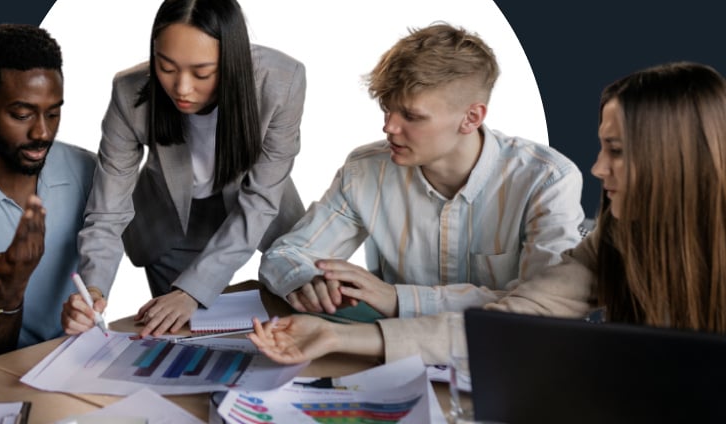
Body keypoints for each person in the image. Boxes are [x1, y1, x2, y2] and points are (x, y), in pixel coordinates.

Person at [248, 61, 726, 365]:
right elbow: (515, 322)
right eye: (603, 147)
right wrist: (334, 338)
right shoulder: (614, 238)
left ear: (676, 155)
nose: (599, 168)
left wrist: (396, 299)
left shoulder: (545, 177)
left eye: (617, 151)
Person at [258, 23, 585, 320]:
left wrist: (398, 298)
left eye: (411, 117)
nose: (389, 127)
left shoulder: (546, 180)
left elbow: (544, 307)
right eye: (387, 109)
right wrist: (307, 279)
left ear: (471, 117)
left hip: (508, 359)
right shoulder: (364, 171)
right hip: (390, 357)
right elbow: (286, 253)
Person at [62, 0, 307, 337]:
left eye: (202, 73)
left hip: (258, 209)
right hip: (171, 221)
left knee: (290, 323)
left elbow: (260, 201)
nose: (182, 88)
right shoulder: (130, 91)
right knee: (180, 334)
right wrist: (93, 290)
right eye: (166, 67)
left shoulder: (281, 83)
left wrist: (195, 289)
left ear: (232, 62)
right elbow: (107, 209)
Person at [0, 24, 96, 358]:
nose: (42, 132)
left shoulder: (90, 171)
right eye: (22, 115)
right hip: (2, 380)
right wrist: (10, 289)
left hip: (84, 361)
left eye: (53, 113)